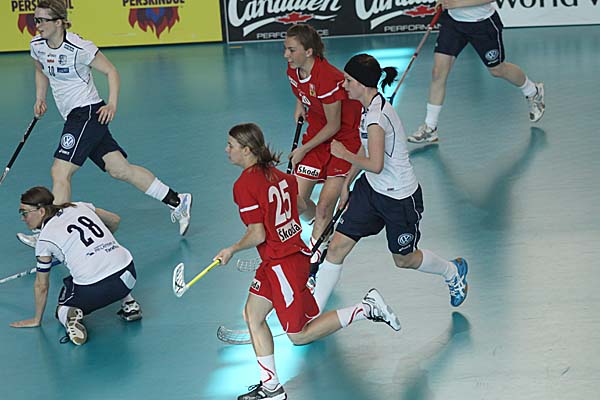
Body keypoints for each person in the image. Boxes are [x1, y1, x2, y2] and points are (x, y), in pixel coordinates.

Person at [215, 123, 400, 400]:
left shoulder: (243, 186)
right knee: (253, 315)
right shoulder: (282, 177)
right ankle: (271, 387)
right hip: (280, 260)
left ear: (247, 150)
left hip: (283, 264)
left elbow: (258, 234)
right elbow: (301, 206)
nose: (226, 150)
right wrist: (308, 219)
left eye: (231, 145)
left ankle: (365, 308)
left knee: (299, 335)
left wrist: (231, 249)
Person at [18, 0, 192, 247]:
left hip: (87, 113)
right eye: (35, 20)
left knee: (60, 172)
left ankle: (52, 236)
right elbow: (40, 70)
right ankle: (177, 200)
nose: (37, 25)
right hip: (77, 117)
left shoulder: (80, 47)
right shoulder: (37, 45)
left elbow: (111, 71)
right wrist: (40, 98)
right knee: (120, 169)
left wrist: (112, 104)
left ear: (58, 22)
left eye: (42, 20)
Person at [311, 54, 469, 314]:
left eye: (348, 80)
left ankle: (452, 271)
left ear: (361, 83)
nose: (344, 85)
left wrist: (343, 154)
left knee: (404, 259)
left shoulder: (376, 117)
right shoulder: (366, 109)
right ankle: (312, 313)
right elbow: (366, 151)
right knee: (337, 248)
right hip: (371, 190)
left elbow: (375, 164)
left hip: (399, 198)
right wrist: (347, 183)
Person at [10, 186, 142, 346]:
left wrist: (37, 319)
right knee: (110, 267)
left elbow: (41, 286)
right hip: (129, 274)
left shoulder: (44, 240)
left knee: (63, 304)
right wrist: (101, 245)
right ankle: (129, 303)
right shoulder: (79, 206)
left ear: (42, 211)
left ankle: (69, 319)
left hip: (94, 290)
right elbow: (115, 220)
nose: (23, 218)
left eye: (24, 213)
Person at [407, 0, 545, 143]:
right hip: (453, 23)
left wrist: (457, 4)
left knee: (497, 69)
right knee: (438, 73)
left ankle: (532, 90)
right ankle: (430, 127)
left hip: (482, 24)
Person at [284, 24, 362, 264]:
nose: (286, 55)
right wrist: (300, 104)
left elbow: (334, 125)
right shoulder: (293, 70)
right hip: (317, 136)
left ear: (308, 52)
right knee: (296, 201)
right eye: (286, 49)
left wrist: (302, 150)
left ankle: (314, 259)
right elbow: (302, 90)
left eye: (291, 50)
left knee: (325, 207)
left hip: (343, 140)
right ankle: (321, 225)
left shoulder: (327, 78)